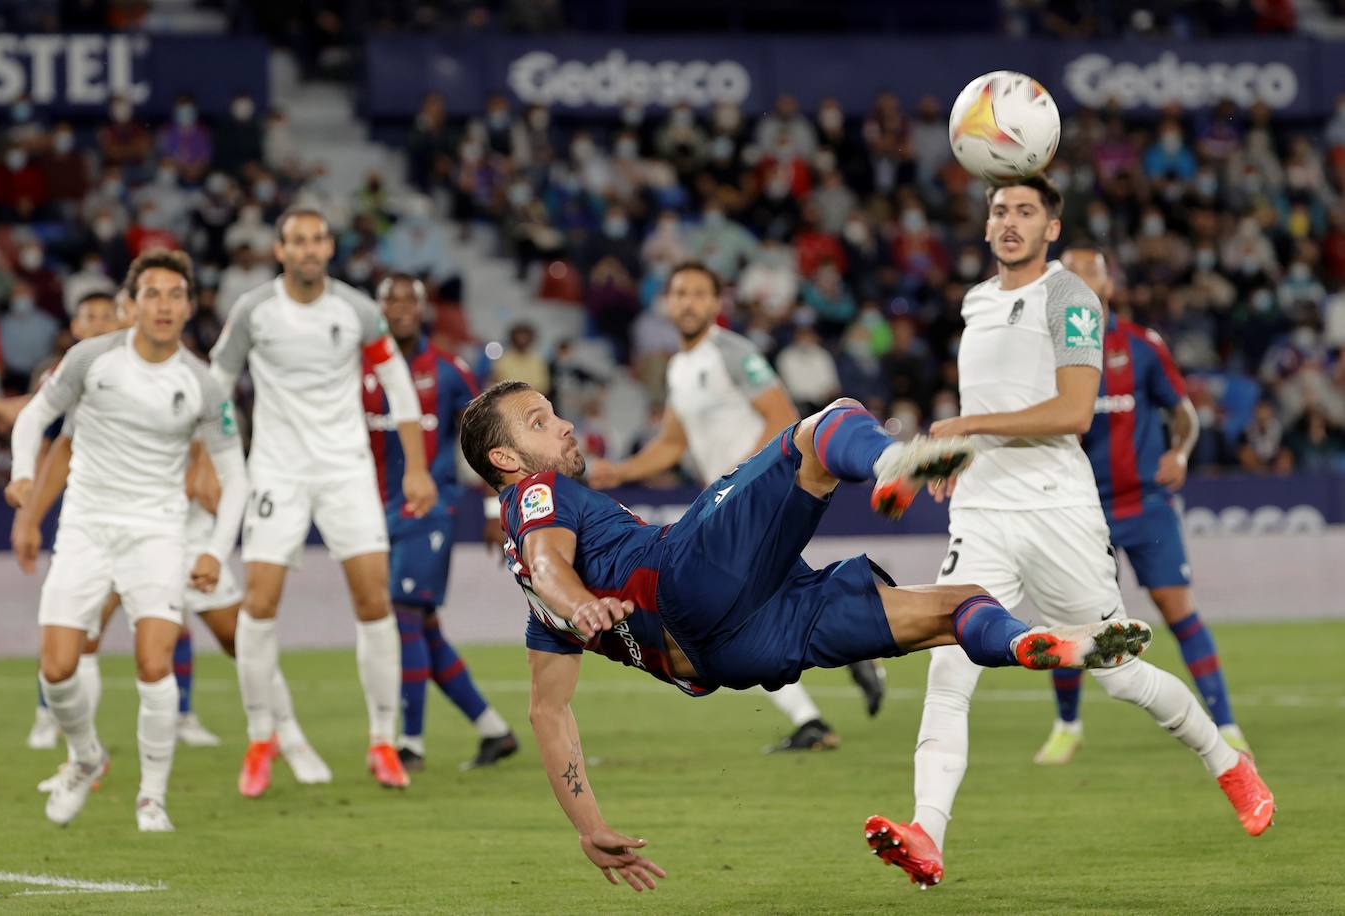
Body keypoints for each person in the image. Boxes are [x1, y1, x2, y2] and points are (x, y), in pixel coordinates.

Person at [460, 379, 1153, 892]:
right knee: (820, 431)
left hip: (729, 651)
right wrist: (581, 603)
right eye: (539, 421)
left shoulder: (536, 610)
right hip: (685, 577)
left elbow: (548, 712)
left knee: (953, 607)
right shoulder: (535, 493)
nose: (564, 427)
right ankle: (892, 464)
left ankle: (1046, 643)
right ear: (508, 459)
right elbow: (550, 561)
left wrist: (589, 826)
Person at [869, 176, 1274, 891]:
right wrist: (950, 457)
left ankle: (1229, 763)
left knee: (1117, 677)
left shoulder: (1070, 297)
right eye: (999, 211)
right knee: (948, 667)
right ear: (987, 224)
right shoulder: (975, 301)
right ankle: (926, 831)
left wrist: (965, 427)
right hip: (983, 514)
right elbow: (989, 406)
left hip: (1058, 510)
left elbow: (1073, 412)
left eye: (1026, 211)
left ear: (1050, 227)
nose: (1010, 222)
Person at [588, 262, 884, 751]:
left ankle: (847, 658)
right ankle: (834, 683)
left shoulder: (732, 351)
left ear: (715, 303)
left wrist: (752, 481)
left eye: (699, 293)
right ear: (667, 303)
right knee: (761, 608)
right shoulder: (680, 367)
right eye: (679, 293)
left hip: (752, 498)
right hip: (725, 507)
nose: (688, 302)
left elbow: (785, 418)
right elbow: (671, 444)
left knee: (728, 619)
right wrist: (619, 473)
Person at [6, 248, 248, 831]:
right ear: (132, 303)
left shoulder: (202, 385)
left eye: (174, 295)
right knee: (57, 668)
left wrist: (214, 549)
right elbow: (33, 418)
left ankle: (152, 798)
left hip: (156, 534)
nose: (163, 306)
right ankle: (87, 757)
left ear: (189, 307)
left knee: (153, 661)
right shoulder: (91, 359)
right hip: (86, 528)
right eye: (152, 294)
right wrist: (21, 472)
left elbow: (235, 475)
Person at [209, 207, 434, 796]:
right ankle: (262, 739)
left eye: (317, 240)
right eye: (297, 241)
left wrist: (414, 466)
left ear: (329, 248)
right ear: (279, 250)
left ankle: (383, 742)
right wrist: (218, 457)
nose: (308, 250)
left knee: (372, 601)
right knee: (258, 604)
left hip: (345, 471)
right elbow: (215, 384)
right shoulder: (254, 311)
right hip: (277, 473)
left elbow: (398, 384)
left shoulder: (355, 309)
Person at [1033, 248, 1249, 765]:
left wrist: (1179, 453)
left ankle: (1226, 724)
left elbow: (1185, 414)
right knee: (1067, 623)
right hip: (1080, 512)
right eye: (1071, 273)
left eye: (1092, 271)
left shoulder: (1142, 347)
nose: (1083, 280)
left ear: (1109, 285)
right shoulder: (1044, 352)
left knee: (1180, 613)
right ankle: (1068, 725)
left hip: (1145, 506)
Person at [366, 273, 517, 771]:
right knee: (423, 628)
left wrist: (497, 510)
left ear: (423, 308)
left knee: (405, 615)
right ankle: (494, 730)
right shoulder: (358, 368)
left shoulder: (450, 371)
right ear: (378, 307)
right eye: (391, 299)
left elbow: (486, 441)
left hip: (429, 510)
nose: (401, 308)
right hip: (369, 510)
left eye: (409, 300)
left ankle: (409, 743)